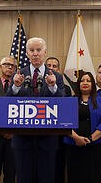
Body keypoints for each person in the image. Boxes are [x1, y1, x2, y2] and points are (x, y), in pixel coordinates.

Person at [7, 37, 65, 183]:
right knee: (23, 178)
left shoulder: (56, 76)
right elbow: (7, 102)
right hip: (22, 138)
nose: (35, 54)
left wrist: (53, 87)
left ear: (45, 52)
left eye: (38, 50)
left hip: (47, 138)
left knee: (46, 178)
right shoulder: (18, 74)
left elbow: (63, 102)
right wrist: (16, 87)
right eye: (32, 51)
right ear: (27, 53)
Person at [63, 71, 101, 183]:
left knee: (93, 177)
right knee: (75, 176)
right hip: (73, 145)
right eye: (82, 80)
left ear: (93, 84)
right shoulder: (70, 100)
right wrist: (77, 138)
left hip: (95, 146)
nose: (85, 83)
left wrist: (89, 139)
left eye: (88, 81)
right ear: (78, 84)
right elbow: (64, 123)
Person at [46, 56, 71, 183]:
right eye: (48, 66)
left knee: (58, 166)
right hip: (41, 132)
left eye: (54, 66)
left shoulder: (65, 89)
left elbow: (65, 110)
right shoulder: (37, 85)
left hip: (58, 134)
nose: (51, 68)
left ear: (59, 70)